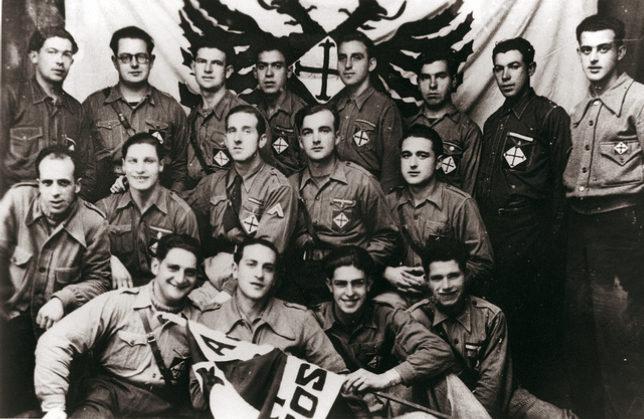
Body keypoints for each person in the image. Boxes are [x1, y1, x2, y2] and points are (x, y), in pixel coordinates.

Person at [474, 37, 571, 392]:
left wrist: (550, 245)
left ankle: (532, 399)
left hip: (530, 235)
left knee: (530, 326)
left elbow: (562, 188)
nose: (505, 76)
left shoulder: (549, 116)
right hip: (494, 233)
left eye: (513, 67)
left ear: (530, 69)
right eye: (498, 69)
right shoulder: (493, 122)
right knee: (497, 318)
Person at [562, 15, 644, 419]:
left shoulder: (638, 100)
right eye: (586, 49)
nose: (593, 58)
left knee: (622, 338)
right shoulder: (579, 109)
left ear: (621, 51)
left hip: (620, 230)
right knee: (581, 333)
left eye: (603, 48)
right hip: (578, 228)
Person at [34, 234, 203, 418]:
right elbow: (54, 342)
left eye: (189, 272)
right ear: (156, 266)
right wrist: (54, 408)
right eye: (173, 268)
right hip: (106, 398)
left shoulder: (199, 320)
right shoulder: (118, 303)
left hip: (162, 405)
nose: (180, 278)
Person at [407, 238, 578, 419]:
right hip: (445, 407)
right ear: (427, 281)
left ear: (466, 275)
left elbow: (492, 388)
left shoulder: (490, 316)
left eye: (453, 275)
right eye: (437, 278)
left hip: (502, 400)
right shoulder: (416, 319)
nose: (446, 286)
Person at [0, 145, 111, 416]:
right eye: (47, 183)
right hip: (12, 324)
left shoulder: (93, 223)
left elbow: (100, 282)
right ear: (38, 183)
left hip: (60, 335)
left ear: (77, 185)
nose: (55, 191)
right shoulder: (17, 201)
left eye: (63, 183)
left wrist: (64, 299)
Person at [312, 245, 456, 418]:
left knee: (444, 379)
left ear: (369, 284)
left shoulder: (386, 315)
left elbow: (440, 350)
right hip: (334, 411)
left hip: (383, 408)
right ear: (330, 285)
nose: (349, 293)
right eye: (341, 284)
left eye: (357, 283)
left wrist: (385, 378)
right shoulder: (312, 319)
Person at [281, 104, 398, 305]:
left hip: (345, 278)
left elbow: (386, 236)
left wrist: (360, 267)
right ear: (300, 141)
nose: (316, 139)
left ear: (337, 137)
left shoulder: (361, 182)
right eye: (308, 133)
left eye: (324, 130)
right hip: (302, 277)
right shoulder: (290, 185)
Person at [185, 105, 297, 301]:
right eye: (232, 131)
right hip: (213, 279)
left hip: (254, 284)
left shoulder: (277, 188)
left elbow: (265, 254)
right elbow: (177, 213)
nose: (237, 139)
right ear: (225, 140)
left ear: (262, 140)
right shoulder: (214, 183)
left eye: (247, 131)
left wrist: (228, 293)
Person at [377, 125, 493, 310]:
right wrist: (386, 272)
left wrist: (438, 279)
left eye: (422, 156)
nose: (412, 164)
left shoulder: (459, 204)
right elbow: (368, 252)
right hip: (398, 301)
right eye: (406, 155)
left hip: (444, 304)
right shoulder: (388, 202)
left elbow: (482, 264)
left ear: (439, 162)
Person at [83, 26, 189, 200]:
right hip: (106, 201)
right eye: (126, 57)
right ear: (115, 61)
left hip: (156, 201)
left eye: (141, 57)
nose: (134, 64)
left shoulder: (171, 108)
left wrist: (170, 205)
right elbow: (83, 164)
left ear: (151, 61)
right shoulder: (93, 106)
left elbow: (180, 170)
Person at [95, 133, 198, 289]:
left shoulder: (181, 214)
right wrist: (110, 260)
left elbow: (191, 274)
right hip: (117, 295)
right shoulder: (105, 209)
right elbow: (86, 254)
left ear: (161, 165)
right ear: (124, 165)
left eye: (148, 161)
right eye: (133, 161)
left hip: (165, 296)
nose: (140, 169)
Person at [1, 27, 93, 199]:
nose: (60, 61)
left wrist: (73, 204)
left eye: (66, 54)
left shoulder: (76, 110)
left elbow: (89, 168)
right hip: (19, 207)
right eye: (52, 52)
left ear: (72, 61)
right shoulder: (10, 98)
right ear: (34, 56)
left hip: (64, 207)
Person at [329, 32, 404, 193]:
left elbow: (391, 177)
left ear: (371, 64)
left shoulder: (385, 109)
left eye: (356, 57)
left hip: (369, 198)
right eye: (342, 58)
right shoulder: (333, 105)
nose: (347, 65)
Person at [405, 48, 482, 195]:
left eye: (440, 76)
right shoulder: (406, 126)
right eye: (426, 77)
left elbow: (468, 195)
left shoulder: (468, 131)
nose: (432, 85)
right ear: (418, 83)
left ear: (453, 81)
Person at [185, 37, 247, 188]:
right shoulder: (191, 118)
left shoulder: (245, 116)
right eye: (202, 61)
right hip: (192, 200)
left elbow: (259, 176)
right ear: (193, 67)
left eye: (216, 63)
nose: (208, 69)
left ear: (228, 71)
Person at [240, 43, 308, 177]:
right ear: (255, 72)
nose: (269, 74)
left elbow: (310, 171)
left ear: (289, 71)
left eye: (277, 66)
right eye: (262, 67)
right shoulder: (251, 112)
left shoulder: (302, 114)